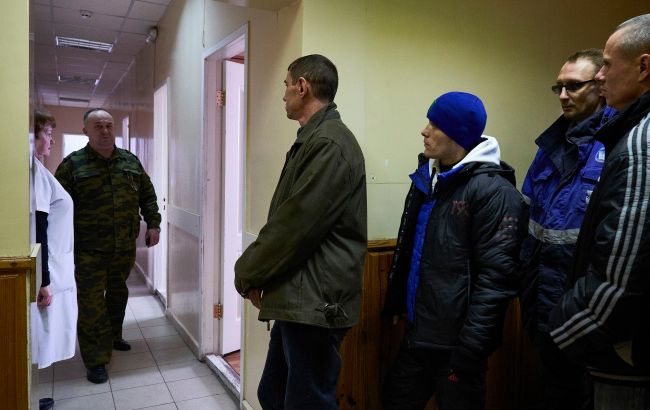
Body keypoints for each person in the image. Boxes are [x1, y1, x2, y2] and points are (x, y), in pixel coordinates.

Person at [234, 54, 367, 409]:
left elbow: (295, 227)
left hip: (316, 303)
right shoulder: (314, 139)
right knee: (273, 393)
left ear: (302, 86)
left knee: (306, 402)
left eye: (286, 85)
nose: (283, 94)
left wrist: (246, 272)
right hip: (301, 297)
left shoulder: (329, 144)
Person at [382, 92, 527, 410]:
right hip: (419, 334)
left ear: (458, 135)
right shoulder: (430, 179)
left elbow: (497, 278)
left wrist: (471, 349)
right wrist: (396, 300)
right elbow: (411, 245)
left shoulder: (494, 192)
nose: (424, 131)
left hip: (458, 347)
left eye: (435, 125)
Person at [549, 14, 650, 410]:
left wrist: (564, 331)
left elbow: (623, 274)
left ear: (643, 67)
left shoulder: (641, 145)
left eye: (607, 64)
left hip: (622, 351)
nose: (601, 76)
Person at [518, 49, 616, 410]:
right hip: (543, 305)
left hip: (591, 317)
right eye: (558, 87)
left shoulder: (618, 145)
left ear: (601, 86)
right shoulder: (549, 147)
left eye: (573, 86)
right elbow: (527, 224)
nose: (563, 95)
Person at [55, 108, 161, 384]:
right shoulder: (72, 165)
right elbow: (57, 207)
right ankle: (96, 360)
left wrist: (153, 224)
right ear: (86, 132)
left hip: (123, 247)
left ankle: (114, 336)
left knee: (117, 294)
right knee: (91, 304)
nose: (105, 131)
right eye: (98, 126)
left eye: (109, 126)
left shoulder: (129, 161)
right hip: (88, 249)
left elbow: (148, 195)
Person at [31, 109, 78, 410]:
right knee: (40, 336)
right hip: (49, 269)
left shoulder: (39, 169)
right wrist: (44, 280)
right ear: (32, 136)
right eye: (47, 133)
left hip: (56, 264)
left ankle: (27, 397)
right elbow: (39, 226)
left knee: (42, 337)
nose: (52, 140)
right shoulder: (34, 173)